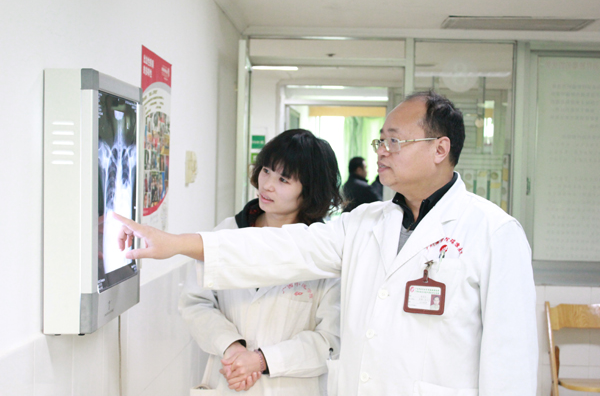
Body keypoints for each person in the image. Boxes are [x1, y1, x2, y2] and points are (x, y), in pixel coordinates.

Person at [115, 90, 538, 395]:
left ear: (440, 149)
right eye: (380, 140)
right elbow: (284, 247)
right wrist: (177, 243)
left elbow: (511, 362)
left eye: (394, 140)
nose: (381, 151)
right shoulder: (365, 223)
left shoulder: (493, 232)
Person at [178, 129, 342, 395]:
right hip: (229, 379)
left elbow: (330, 339)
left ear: (310, 191)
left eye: (283, 179)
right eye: (266, 170)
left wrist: (262, 360)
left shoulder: (324, 252)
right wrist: (231, 347)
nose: (267, 185)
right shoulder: (228, 232)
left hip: (290, 386)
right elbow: (196, 302)